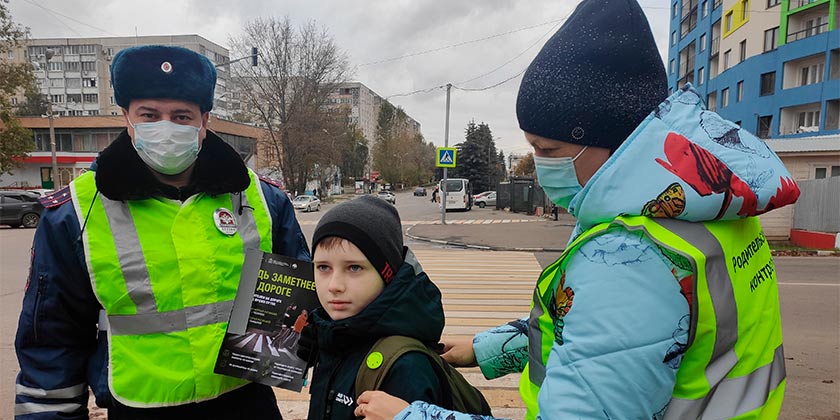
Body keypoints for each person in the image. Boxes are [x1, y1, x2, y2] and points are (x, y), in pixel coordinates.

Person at [355, 0, 799, 419]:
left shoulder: (631, 259)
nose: (541, 165)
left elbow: (613, 332)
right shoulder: (706, 207)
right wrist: (487, 349)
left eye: (549, 149)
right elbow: (604, 338)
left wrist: (412, 415)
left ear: (614, 140)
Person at [14, 45, 310, 419]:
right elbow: (51, 342)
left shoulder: (263, 199)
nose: (166, 128)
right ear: (126, 116)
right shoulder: (75, 213)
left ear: (204, 120)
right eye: (150, 115)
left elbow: (302, 307)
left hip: (247, 404)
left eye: (181, 116)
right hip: (140, 407)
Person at [307, 195, 451, 420]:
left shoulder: (405, 367)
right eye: (323, 267)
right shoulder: (333, 335)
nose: (334, 285)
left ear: (387, 274)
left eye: (354, 268)